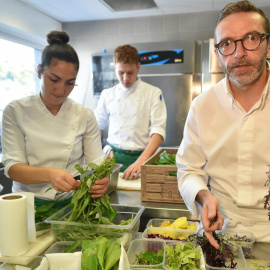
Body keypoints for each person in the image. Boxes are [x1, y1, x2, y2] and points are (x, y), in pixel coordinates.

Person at [176, 0, 270, 249]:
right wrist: (204, 196)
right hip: (222, 233)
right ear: (218, 55)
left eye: (251, 38)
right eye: (227, 44)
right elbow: (188, 170)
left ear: (268, 46)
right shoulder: (202, 106)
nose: (239, 54)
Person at [1, 31, 109, 208]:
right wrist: (50, 174)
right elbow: (13, 168)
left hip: (72, 203)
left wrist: (103, 179)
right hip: (28, 205)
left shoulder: (84, 115)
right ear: (39, 72)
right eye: (54, 79)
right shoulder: (15, 111)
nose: (61, 90)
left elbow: (96, 164)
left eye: (70, 83)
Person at [94, 44, 167, 180]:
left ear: (138, 67)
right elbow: (97, 127)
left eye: (130, 72)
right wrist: (100, 155)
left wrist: (141, 162)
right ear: (115, 67)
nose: (126, 78)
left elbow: (158, 132)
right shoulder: (107, 95)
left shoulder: (153, 93)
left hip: (144, 158)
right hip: (112, 159)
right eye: (121, 73)